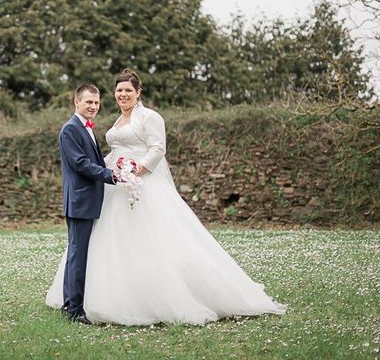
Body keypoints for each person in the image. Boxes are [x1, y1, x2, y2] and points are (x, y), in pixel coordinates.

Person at [46, 69, 286, 325]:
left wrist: (136, 170)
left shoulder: (150, 117)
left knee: (152, 240)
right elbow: (103, 157)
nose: (122, 94)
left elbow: (158, 148)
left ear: (138, 93)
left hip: (141, 184)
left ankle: (158, 295)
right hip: (115, 186)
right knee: (107, 242)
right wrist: (114, 172)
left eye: (128, 90)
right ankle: (98, 297)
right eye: (119, 90)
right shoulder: (113, 122)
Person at [58, 83, 118, 325]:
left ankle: (67, 305)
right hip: (79, 200)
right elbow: (81, 163)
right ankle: (74, 311)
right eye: (88, 102)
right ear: (76, 102)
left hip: (86, 200)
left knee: (76, 253)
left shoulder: (87, 128)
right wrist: (110, 174)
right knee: (78, 255)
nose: (93, 106)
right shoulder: (70, 130)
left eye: (96, 102)